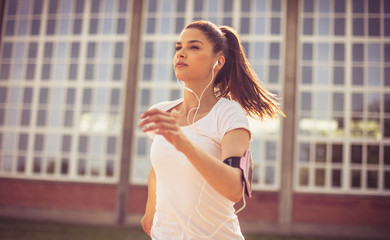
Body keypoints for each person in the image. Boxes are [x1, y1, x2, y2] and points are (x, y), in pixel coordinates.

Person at [139, 20, 283, 240]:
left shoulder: (228, 114)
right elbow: (157, 170)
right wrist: (150, 213)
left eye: (193, 47)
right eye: (179, 47)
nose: (181, 53)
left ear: (218, 61)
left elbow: (235, 189)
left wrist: (184, 144)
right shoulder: (161, 111)